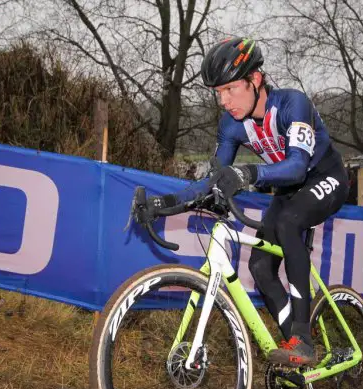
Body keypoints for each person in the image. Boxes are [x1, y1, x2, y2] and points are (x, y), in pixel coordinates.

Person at [142, 37, 348, 366]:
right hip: (289, 191)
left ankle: (304, 339)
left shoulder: (293, 104)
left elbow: (296, 165)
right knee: (259, 267)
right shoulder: (231, 126)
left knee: (288, 221)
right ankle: (293, 350)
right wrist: (163, 203)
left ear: (254, 80)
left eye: (230, 89)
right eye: (217, 93)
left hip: (326, 177)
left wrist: (247, 173)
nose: (223, 101)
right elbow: (214, 178)